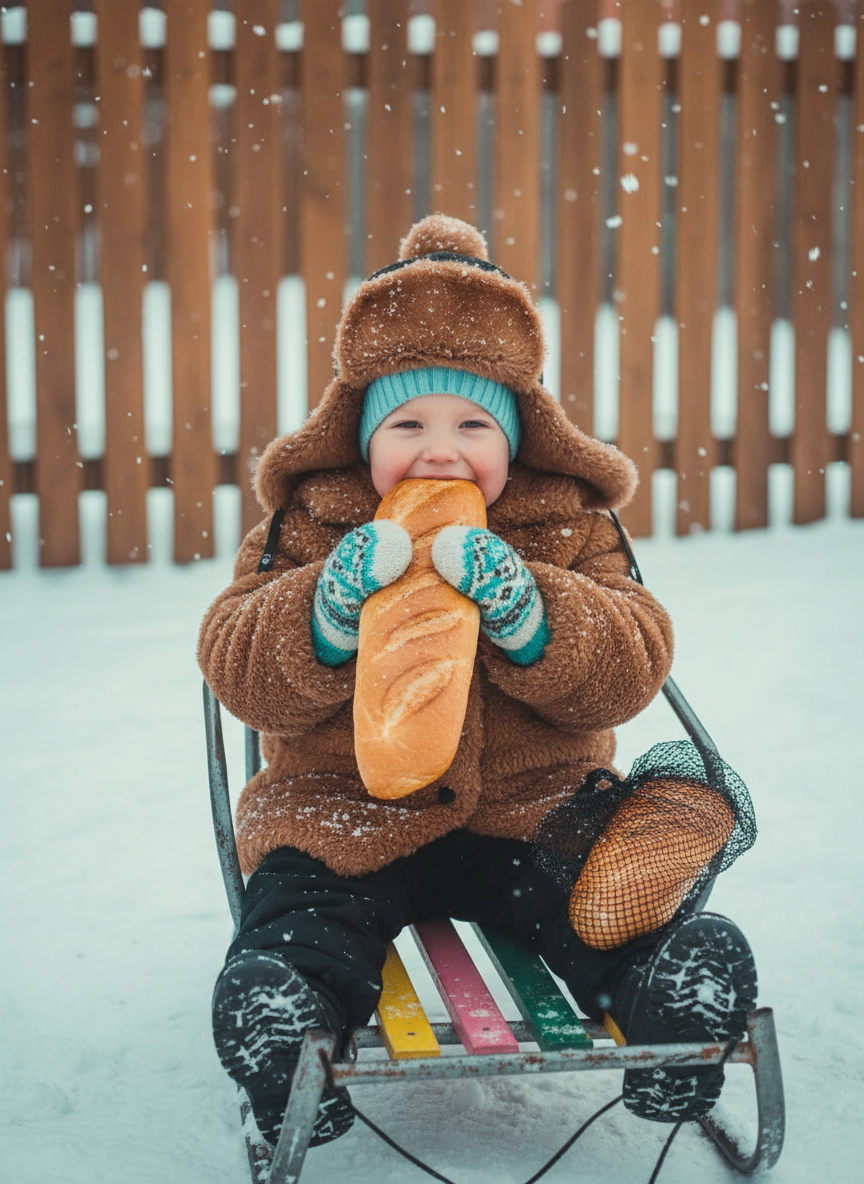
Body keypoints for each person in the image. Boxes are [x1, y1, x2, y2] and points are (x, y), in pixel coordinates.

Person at [198, 215, 756, 1148]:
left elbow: (632, 661)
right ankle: (286, 1016)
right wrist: (324, 615)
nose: (439, 450)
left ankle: (670, 996)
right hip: (342, 809)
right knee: (307, 910)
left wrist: (535, 614)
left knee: (600, 897)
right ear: (361, 434)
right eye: (406, 424)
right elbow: (237, 665)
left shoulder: (569, 523)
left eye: (473, 424)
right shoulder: (314, 522)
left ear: (520, 434)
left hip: (533, 811)